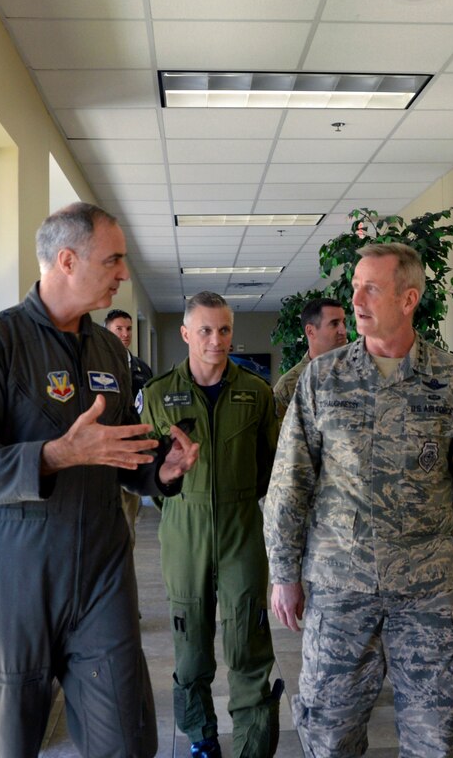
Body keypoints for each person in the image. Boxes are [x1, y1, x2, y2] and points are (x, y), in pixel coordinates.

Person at [0, 202, 199, 758]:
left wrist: (161, 469)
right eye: (113, 261)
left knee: (126, 740)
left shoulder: (109, 349)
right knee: (6, 743)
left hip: (101, 568)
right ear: (67, 260)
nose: (123, 274)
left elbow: (121, 448)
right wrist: (55, 455)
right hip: (13, 576)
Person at [265, 243, 453, 758]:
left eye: (371, 288)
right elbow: (289, 483)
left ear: (408, 299)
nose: (356, 299)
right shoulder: (321, 379)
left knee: (435, 738)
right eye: (355, 286)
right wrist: (283, 571)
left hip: (428, 593)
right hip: (339, 590)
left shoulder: (451, 382)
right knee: (327, 735)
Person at [138, 291, 281, 758]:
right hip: (184, 533)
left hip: (242, 529)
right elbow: (144, 474)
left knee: (248, 647)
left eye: (223, 330)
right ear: (185, 334)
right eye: (205, 330)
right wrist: (178, 495)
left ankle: (251, 748)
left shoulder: (256, 393)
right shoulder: (158, 395)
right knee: (192, 649)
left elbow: (270, 469)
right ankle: (201, 738)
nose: (216, 340)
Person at [105, 308, 155, 548]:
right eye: (119, 329)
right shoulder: (96, 365)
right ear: (107, 331)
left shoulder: (141, 369)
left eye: (128, 329)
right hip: (104, 453)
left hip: (133, 451)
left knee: (128, 519)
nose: (125, 334)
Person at [272, 298, 347, 418]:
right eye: (334, 324)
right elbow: (279, 434)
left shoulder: (362, 371)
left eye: (344, 322)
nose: (343, 330)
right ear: (310, 331)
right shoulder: (289, 386)